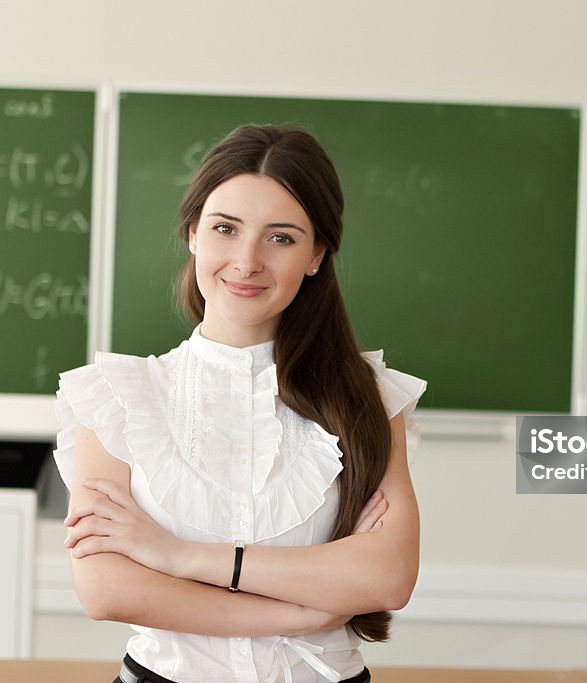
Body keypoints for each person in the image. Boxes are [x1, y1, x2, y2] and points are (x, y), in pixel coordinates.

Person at [52, 125, 427, 683]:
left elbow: (387, 577)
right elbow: (107, 588)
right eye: (226, 228)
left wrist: (177, 557)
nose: (247, 261)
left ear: (317, 255)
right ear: (193, 234)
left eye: (281, 237)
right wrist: (300, 611)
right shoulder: (116, 395)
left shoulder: (367, 397)